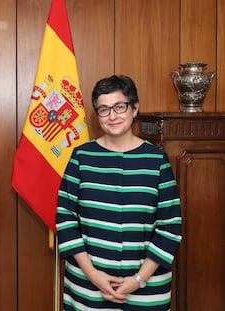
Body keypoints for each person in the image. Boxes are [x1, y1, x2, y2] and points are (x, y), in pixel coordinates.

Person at [55, 75, 182, 310]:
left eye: (119, 107)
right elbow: (65, 219)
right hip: (87, 287)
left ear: (134, 108)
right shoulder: (81, 158)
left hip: (147, 289)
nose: (112, 116)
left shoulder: (157, 161)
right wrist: (93, 275)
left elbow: (170, 226)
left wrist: (138, 280)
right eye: (103, 109)